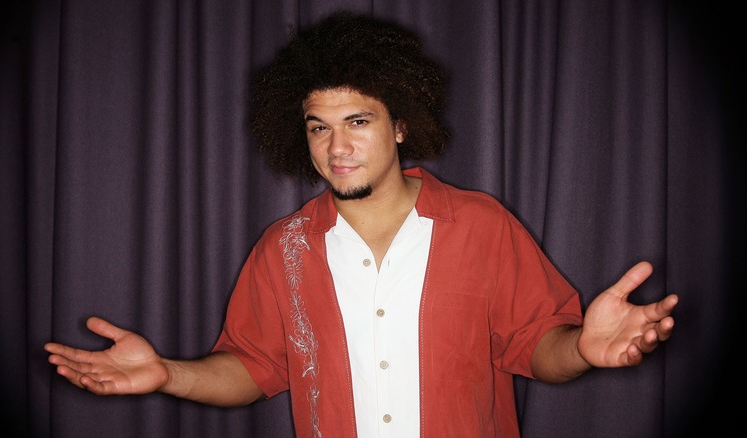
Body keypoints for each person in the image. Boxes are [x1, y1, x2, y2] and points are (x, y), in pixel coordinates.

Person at [44, 11, 678, 438]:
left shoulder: (482, 227)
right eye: (319, 126)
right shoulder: (282, 249)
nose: (336, 147)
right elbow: (253, 367)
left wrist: (583, 350)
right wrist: (168, 374)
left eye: (358, 121)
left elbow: (539, 346)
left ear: (400, 125)